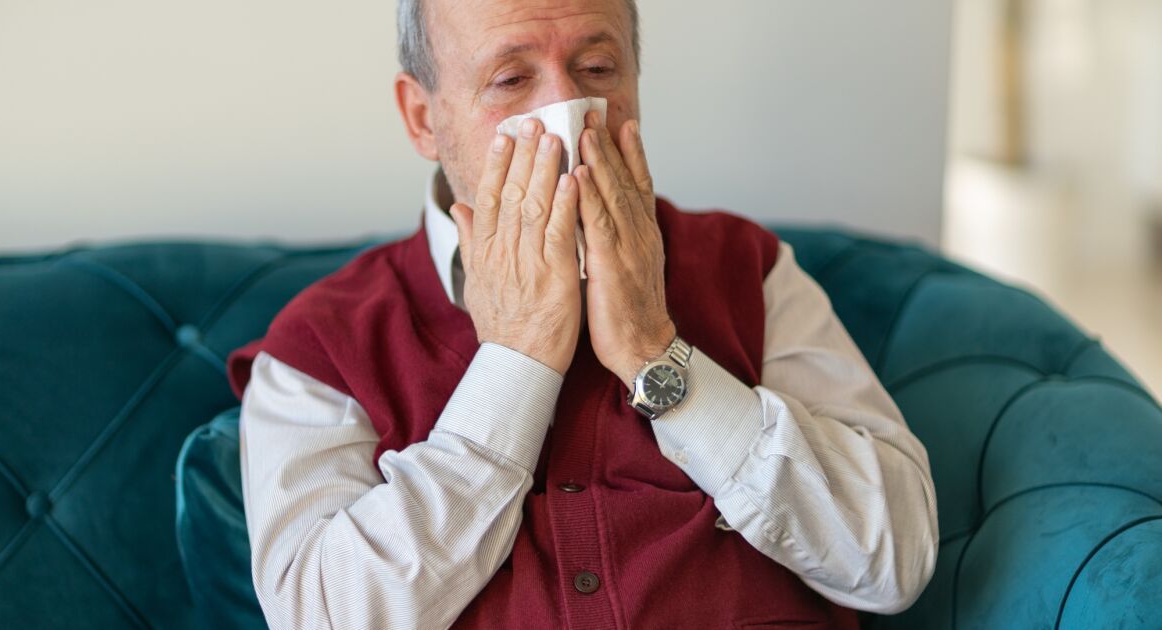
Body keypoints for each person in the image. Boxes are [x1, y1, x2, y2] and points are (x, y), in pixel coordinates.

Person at [227, 1, 940, 628]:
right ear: (423, 118)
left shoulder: (747, 267)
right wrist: (517, 359)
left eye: (597, 69)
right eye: (511, 79)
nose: (569, 112)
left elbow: (893, 557)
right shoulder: (322, 342)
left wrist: (656, 353)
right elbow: (325, 614)